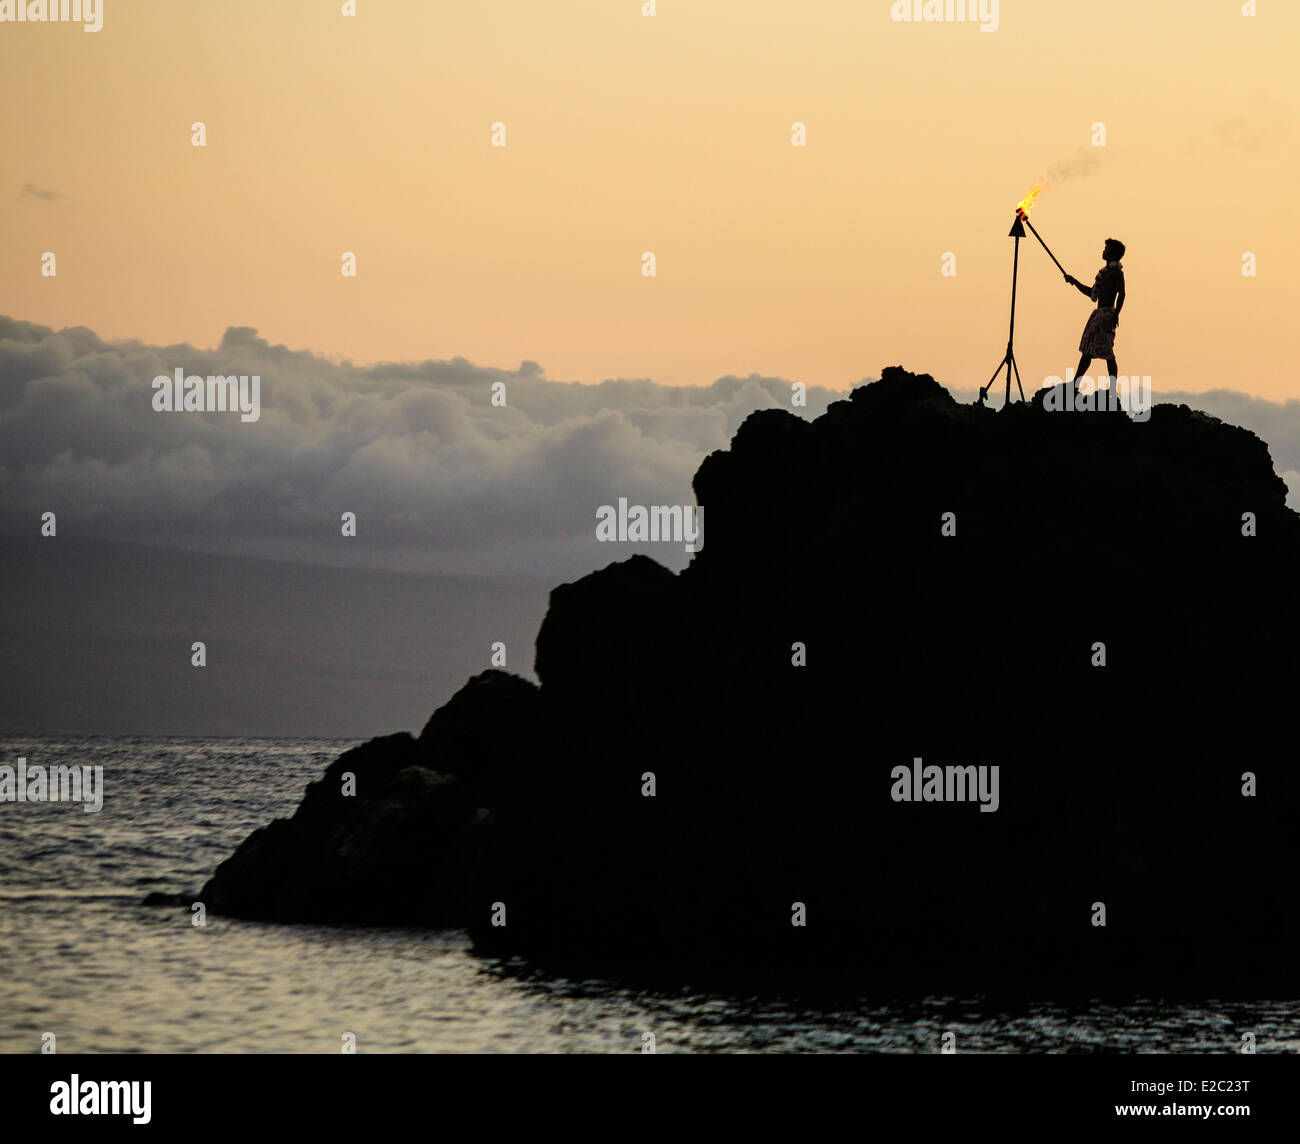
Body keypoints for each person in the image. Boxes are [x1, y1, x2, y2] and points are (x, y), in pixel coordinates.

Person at [1065, 238, 1125, 395]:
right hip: (1098, 315)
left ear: (1112, 253)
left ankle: (1111, 389)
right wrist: (1074, 282)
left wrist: (1116, 314)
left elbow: (1122, 294)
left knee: (1108, 353)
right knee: (1088, 350)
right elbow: (1092, 293)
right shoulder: (1104, 274)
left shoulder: (1117, 273)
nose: (1103, 251)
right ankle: (1075, 384)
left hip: (1107, 315)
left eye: (1106, 248)